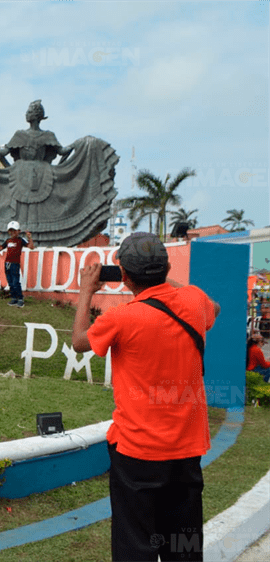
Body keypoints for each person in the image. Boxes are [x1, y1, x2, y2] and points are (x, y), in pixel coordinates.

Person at [72, 232, 221, 562]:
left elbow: (80, 341)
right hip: (187, 450)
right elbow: (216, 308)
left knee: (135, 546)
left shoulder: (121, 318)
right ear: (165, 268)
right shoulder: (195, 301)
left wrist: (86, 292)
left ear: (123, 275)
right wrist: (167, 282)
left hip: (137, 452)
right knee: (183, 546)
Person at [0, 99, 118, 247]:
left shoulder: (48, 135)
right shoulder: (20, 135)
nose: (28, 114)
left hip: (42, 175)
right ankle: (23, 237)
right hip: (19, 174)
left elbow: (63, 151)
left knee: (40, 209)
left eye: (30, 111)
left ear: (36, 116)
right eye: (28, 111)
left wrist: (83, 143)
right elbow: (3, 152)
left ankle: (37, 239)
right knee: (19, 208)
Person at [0, 220, 34, 307]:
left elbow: (31, 247)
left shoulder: (21, 240)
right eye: (10, 230)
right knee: (10, 282)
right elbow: (0, 248)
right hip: (7, 264)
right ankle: (14, 298)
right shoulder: (8, 240)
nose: (12, 232)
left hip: (15, 264)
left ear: (18, 231)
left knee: (16, 282)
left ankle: (20, 299)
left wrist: (29, 238)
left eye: (14, 230)